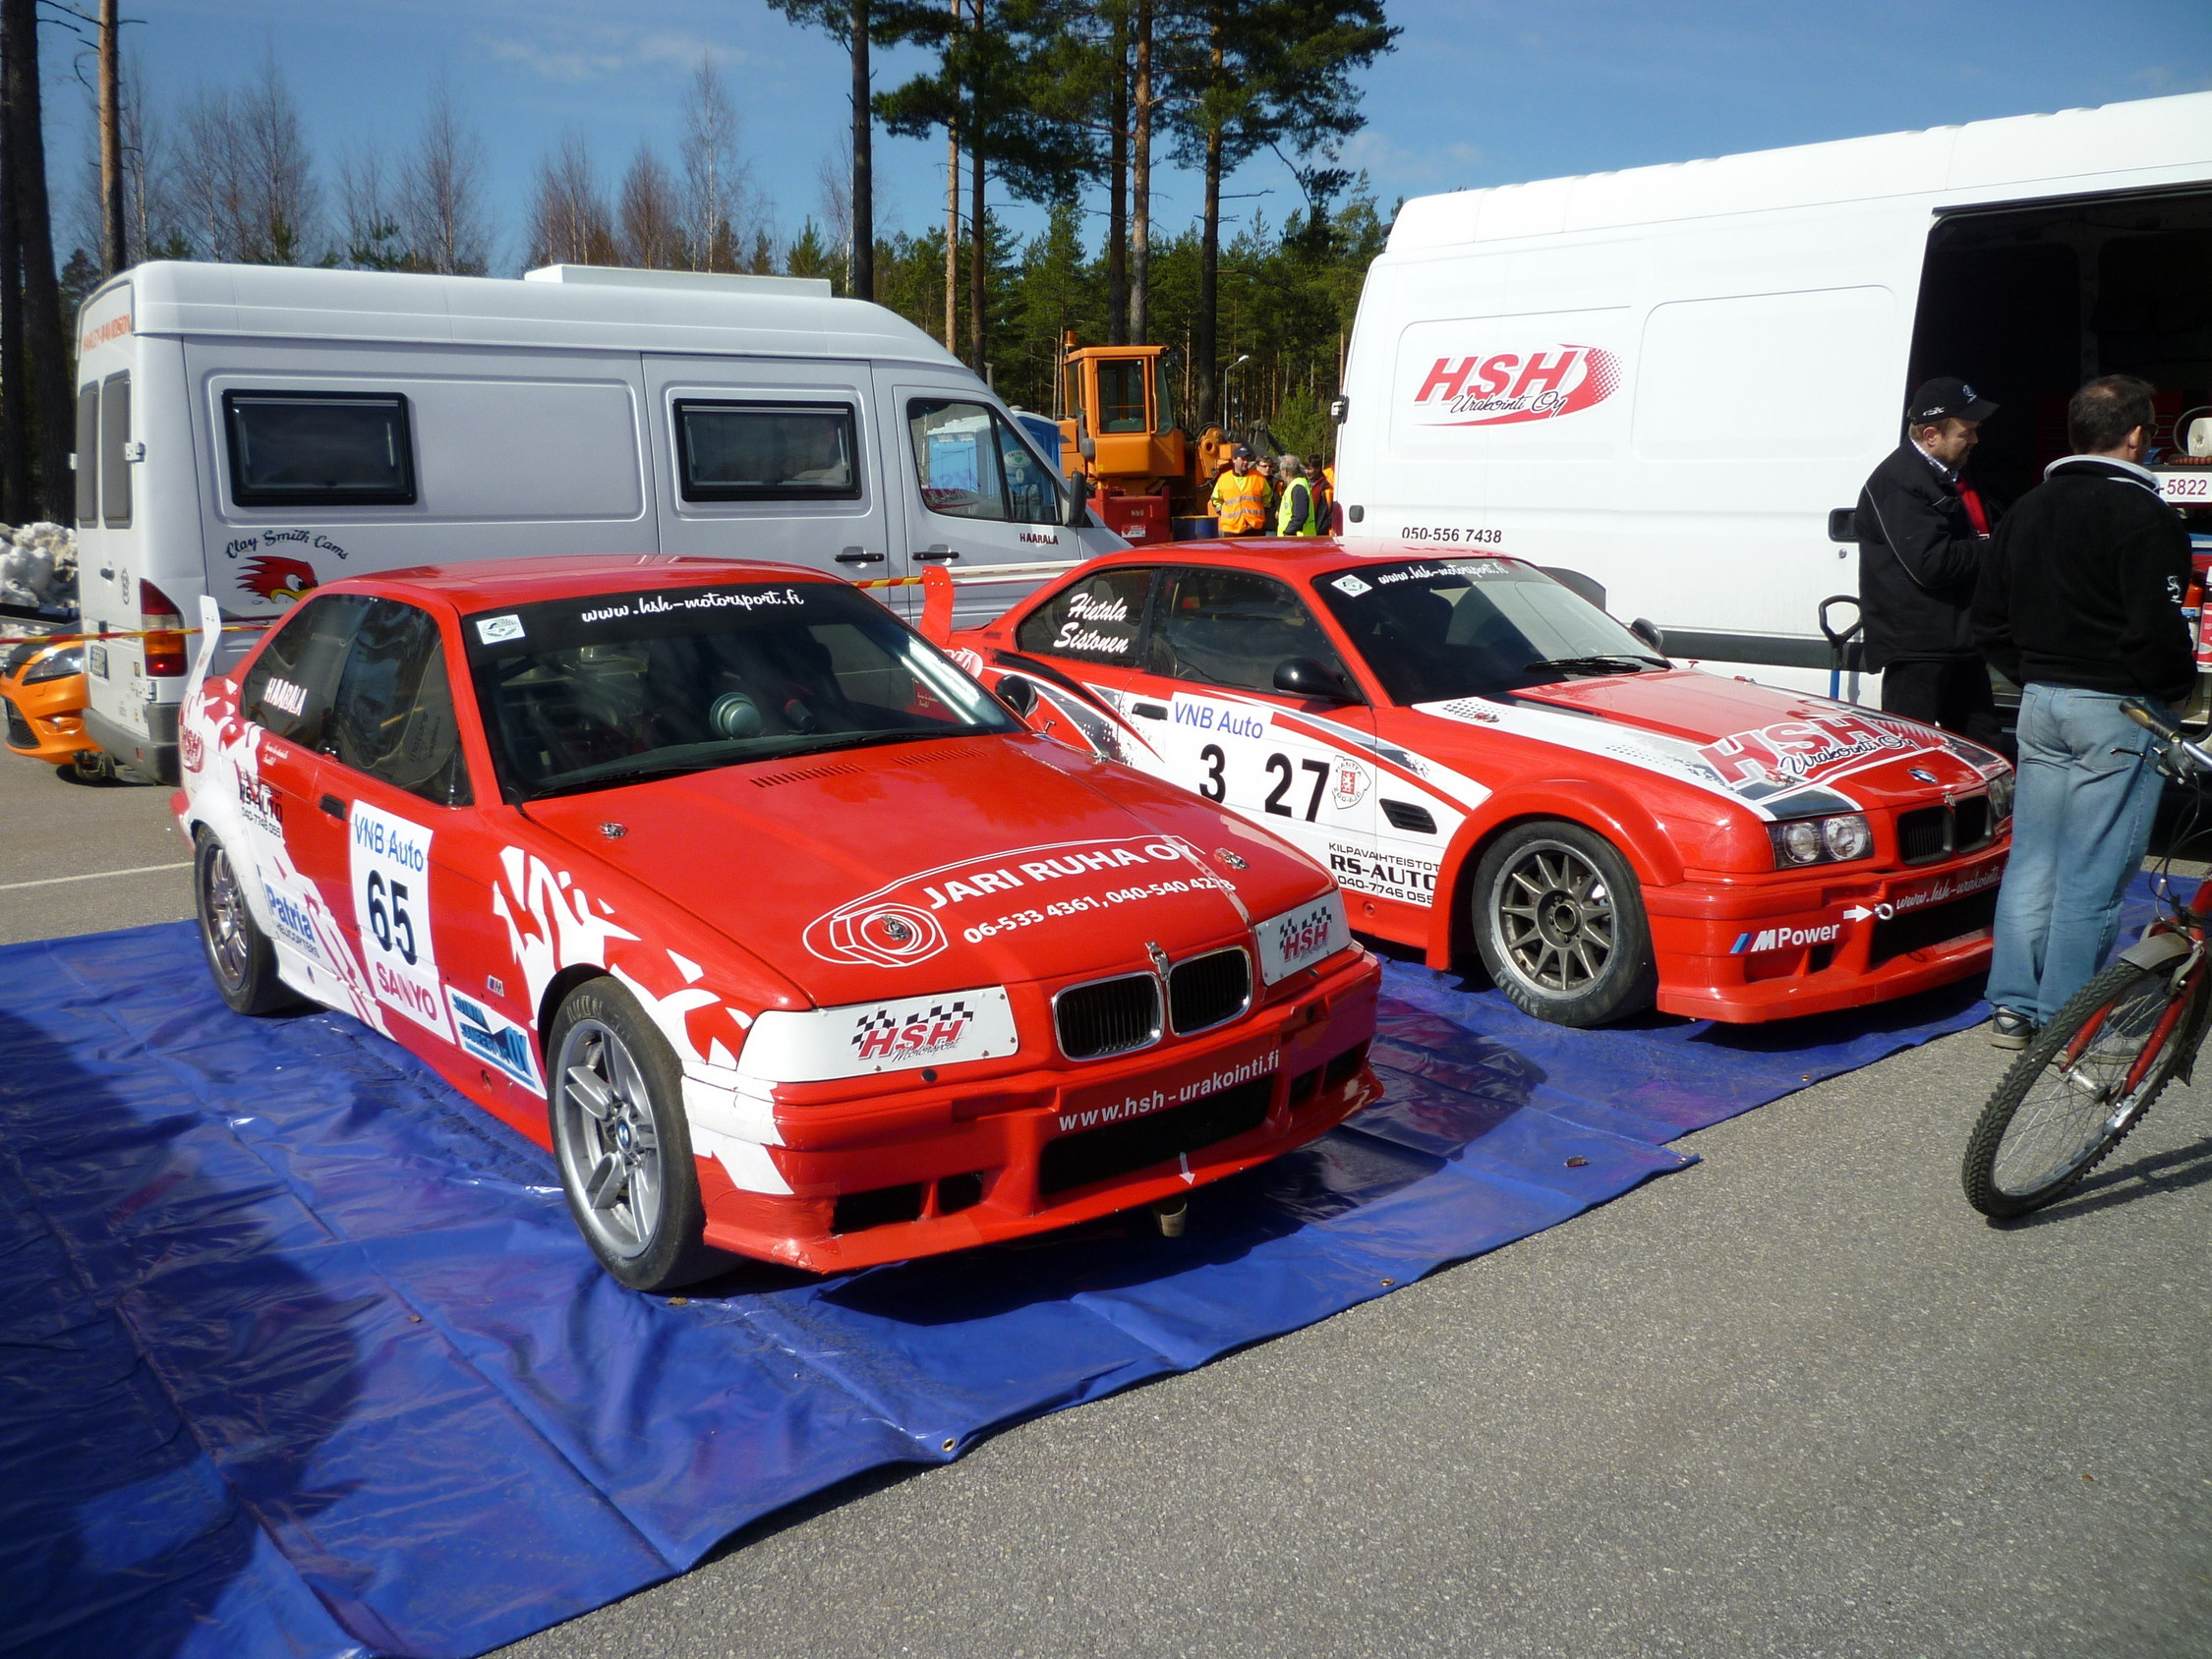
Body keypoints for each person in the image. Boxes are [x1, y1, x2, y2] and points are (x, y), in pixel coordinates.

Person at [1971, 374, 2193, 1047]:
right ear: (2137, 437)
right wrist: (2173, 689)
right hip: (2116, 710)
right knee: (2093, 875)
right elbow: (2156, 629)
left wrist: (2037, 674)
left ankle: (2013, 1005)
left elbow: (1987, 619)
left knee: (2036, 859)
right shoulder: (2145, 516)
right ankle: (2068, 1020)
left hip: (2042, 704)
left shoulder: (2028, 509)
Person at [1856, 377, 2004, 746]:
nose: (1974, 440)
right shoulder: (1899, 481)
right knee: (1910, 751)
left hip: (1960, 642)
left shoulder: (1953, 474)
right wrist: (1996, 548)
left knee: (1982, 748)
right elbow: (1931, 563)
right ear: (1932, 435)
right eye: (1966, 432)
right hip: (1917, 646)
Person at [1209, 444, 1270, 536]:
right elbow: (1215, 499)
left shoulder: (1258, 477)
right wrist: (1222, 512)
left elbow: (1268, 497)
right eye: (1242, 459)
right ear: (1234, 459)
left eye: (1247, 459)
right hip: (1231, 529)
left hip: (1253, 528)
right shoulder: (1223, 478)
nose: (1245, 462)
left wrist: (1260, 513)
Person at [1274, 454, 1325, 536]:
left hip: (1297, 539)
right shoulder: (1296, 485)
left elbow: (1300, 516)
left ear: (1285, 472)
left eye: (1280, 470)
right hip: (1297, 539)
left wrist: (1288, 532)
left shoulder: (1298, 487)